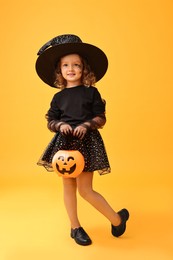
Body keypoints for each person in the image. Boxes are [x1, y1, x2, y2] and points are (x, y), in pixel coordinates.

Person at [35, 34, 129, 246]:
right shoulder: (58, 97)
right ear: (59, 70)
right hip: (64, 146)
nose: (71, 69)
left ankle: (117, 219)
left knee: (85, 190)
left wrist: (86, 125)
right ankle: (75, 227)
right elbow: (51, 119)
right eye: (65, 65)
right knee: (68, 186)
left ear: (83, 68)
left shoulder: (91, 92)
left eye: (76, 65)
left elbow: (100, 117)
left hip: (86, 143)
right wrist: (60, 125)